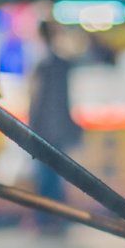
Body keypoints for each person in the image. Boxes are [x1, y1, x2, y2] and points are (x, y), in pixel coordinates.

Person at [27, 17, 84, 206]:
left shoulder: (42, 64)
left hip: (44, 129)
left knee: (46, 176)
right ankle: (56, 216)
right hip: (58, 127)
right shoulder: (61, 63)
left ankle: (49, 216)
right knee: (56, 175)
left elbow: (37, 100)